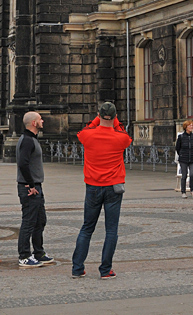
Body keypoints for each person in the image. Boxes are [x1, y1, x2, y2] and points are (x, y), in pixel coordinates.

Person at [71, 101, 133, 279]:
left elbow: (84, 130)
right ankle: (105, 270)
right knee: (111, 230)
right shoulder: (120, 138)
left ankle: (77, 268)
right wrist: (114, 121)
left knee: (87, 228)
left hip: (92, 186)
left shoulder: (87, 135)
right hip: (114, 187)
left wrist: (98, 120)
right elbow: (124, 133)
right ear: (114, 117)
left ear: (98, 115)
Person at [16, 111, 54, 268]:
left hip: (36, 186)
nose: (42, 121)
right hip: (29, 187)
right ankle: (24, 256)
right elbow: (23, 163)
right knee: (29, 222)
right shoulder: (27, 141)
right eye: (40, 119)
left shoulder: (31, 139)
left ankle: (38, 252)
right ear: (33, 123)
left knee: (40, 220)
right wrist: (31, 185)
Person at [175, 120, 193, 198]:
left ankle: (192, 190)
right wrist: (182, 154)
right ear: (186, 127)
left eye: (192, 125)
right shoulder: (181, 137)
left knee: (192, 174)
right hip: (183, 158)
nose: (191, 127)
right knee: (184, 175)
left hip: (192, 158)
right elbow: (177, 148)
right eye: (189, 126)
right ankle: (183, 191)